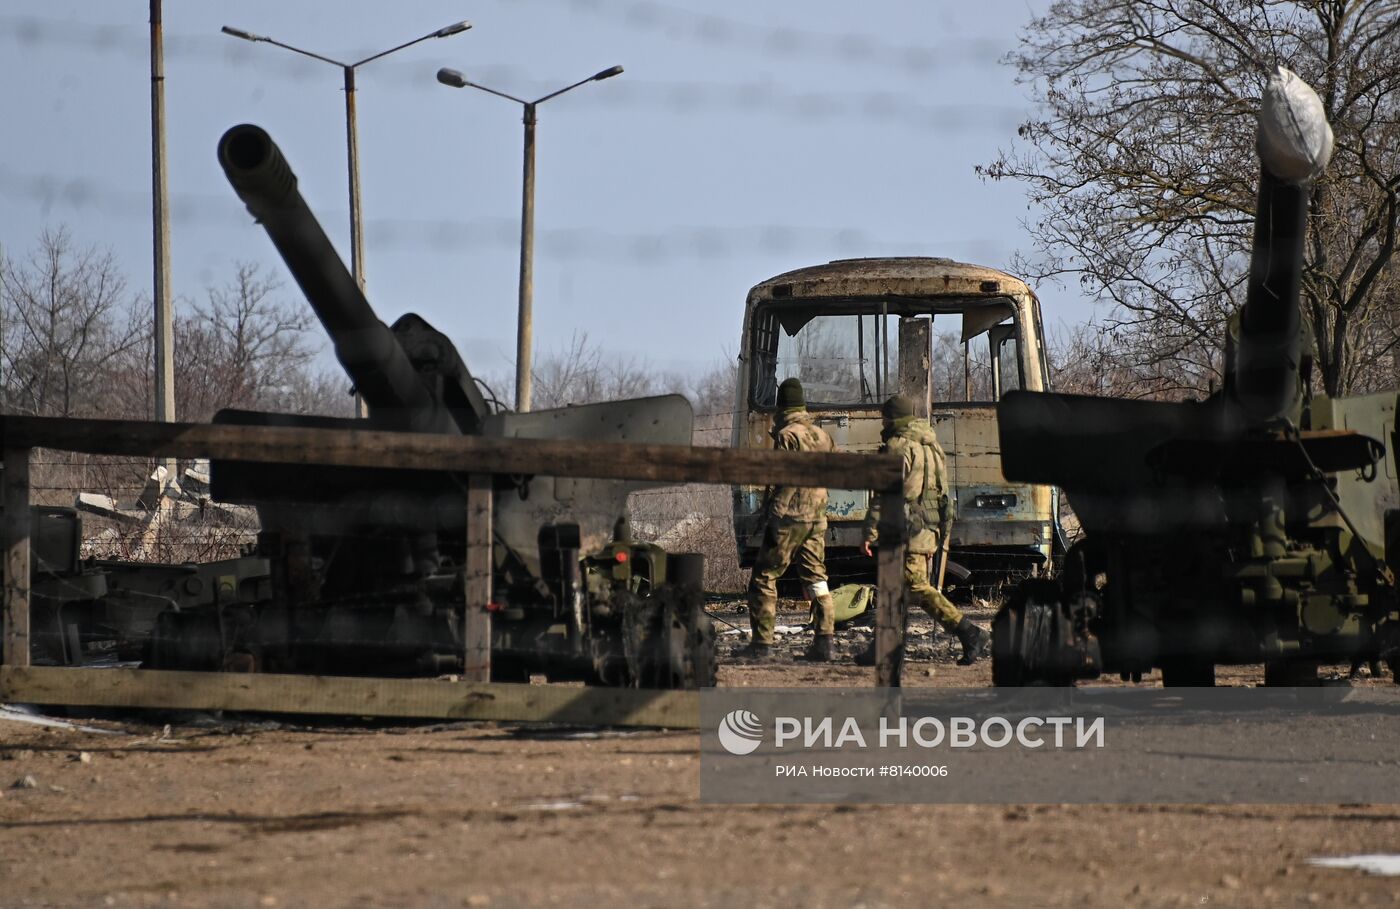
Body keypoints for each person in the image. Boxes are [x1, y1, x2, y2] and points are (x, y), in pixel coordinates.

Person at [857, 394, 989, 666]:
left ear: (893, 419)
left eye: (884, 417)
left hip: (907, 529)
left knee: (916, 586)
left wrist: (870, 532)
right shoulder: (932, 446)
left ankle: (970, 632)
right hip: (928, 526)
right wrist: (943, 528)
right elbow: (943, 493)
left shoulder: (898, 447)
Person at [740, 377, 839, 662]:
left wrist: (773, 515)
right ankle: (825, 641)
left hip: (790, 519)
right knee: (817, 579)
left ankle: (762, 644)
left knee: (764, 577)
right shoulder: (822, 435)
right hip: (817, 520)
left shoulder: (787, 435)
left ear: (781, 405)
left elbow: (783, 480)